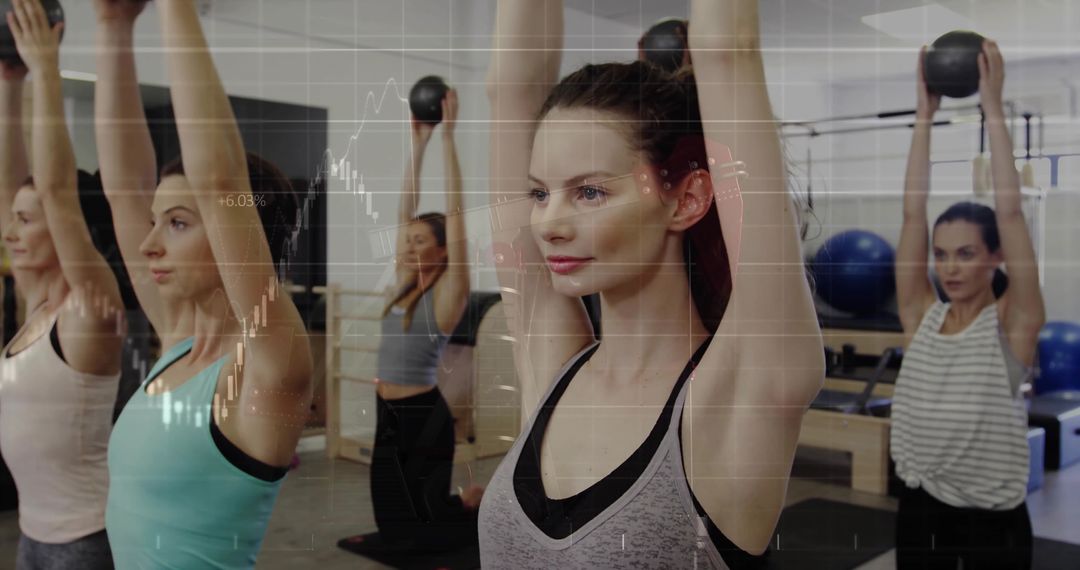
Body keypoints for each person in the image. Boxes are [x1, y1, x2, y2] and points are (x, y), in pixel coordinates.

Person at [478, 0, 825, 566]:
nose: (547, 225)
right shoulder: (554, 368)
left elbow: (727, 50)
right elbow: (510, 90)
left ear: (686, 199)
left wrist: (717, 55)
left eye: (590, 192)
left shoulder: (743, 390)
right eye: (540, 193)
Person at [95, 0, 313, 567]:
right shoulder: (177, 341)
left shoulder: (268, 369)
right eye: (156, 222)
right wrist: (113, 26)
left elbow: (220, 184)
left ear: (235, 233)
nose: (149, 246)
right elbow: (122, 191)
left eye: (178, 223)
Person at [891, 40, 1045, 570]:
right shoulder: (921, 316)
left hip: (990, 519)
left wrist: (993, 109)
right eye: (941, 256)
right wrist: (923, 116)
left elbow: (1011, 212)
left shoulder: (1013, 326)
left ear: (996, 257)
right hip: (919, 506)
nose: (949, 268)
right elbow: (913, 214)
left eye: (965, 254)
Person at [0, 0, 125, 567]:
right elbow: (18, 191)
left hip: (86, 542)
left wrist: (47, 70)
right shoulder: (38, 305)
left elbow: (54, 193)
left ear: (66, 228)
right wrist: (10, 85)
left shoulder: (89, 307)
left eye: (28, 222)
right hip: (32, 537)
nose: (11, 231)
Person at [339, 89, 480, 553]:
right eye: (409, 239)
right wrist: (417, 142)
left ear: (443, 250)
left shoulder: (448, 291)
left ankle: (476, 506)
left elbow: (456, 217)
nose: (410, 245)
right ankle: (465, 505)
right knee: (393, 525)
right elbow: (405, 208)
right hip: (388, 412)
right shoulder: (404, 283)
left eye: (423, 241)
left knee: (430, 528)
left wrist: (449, 140)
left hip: (423, 415)